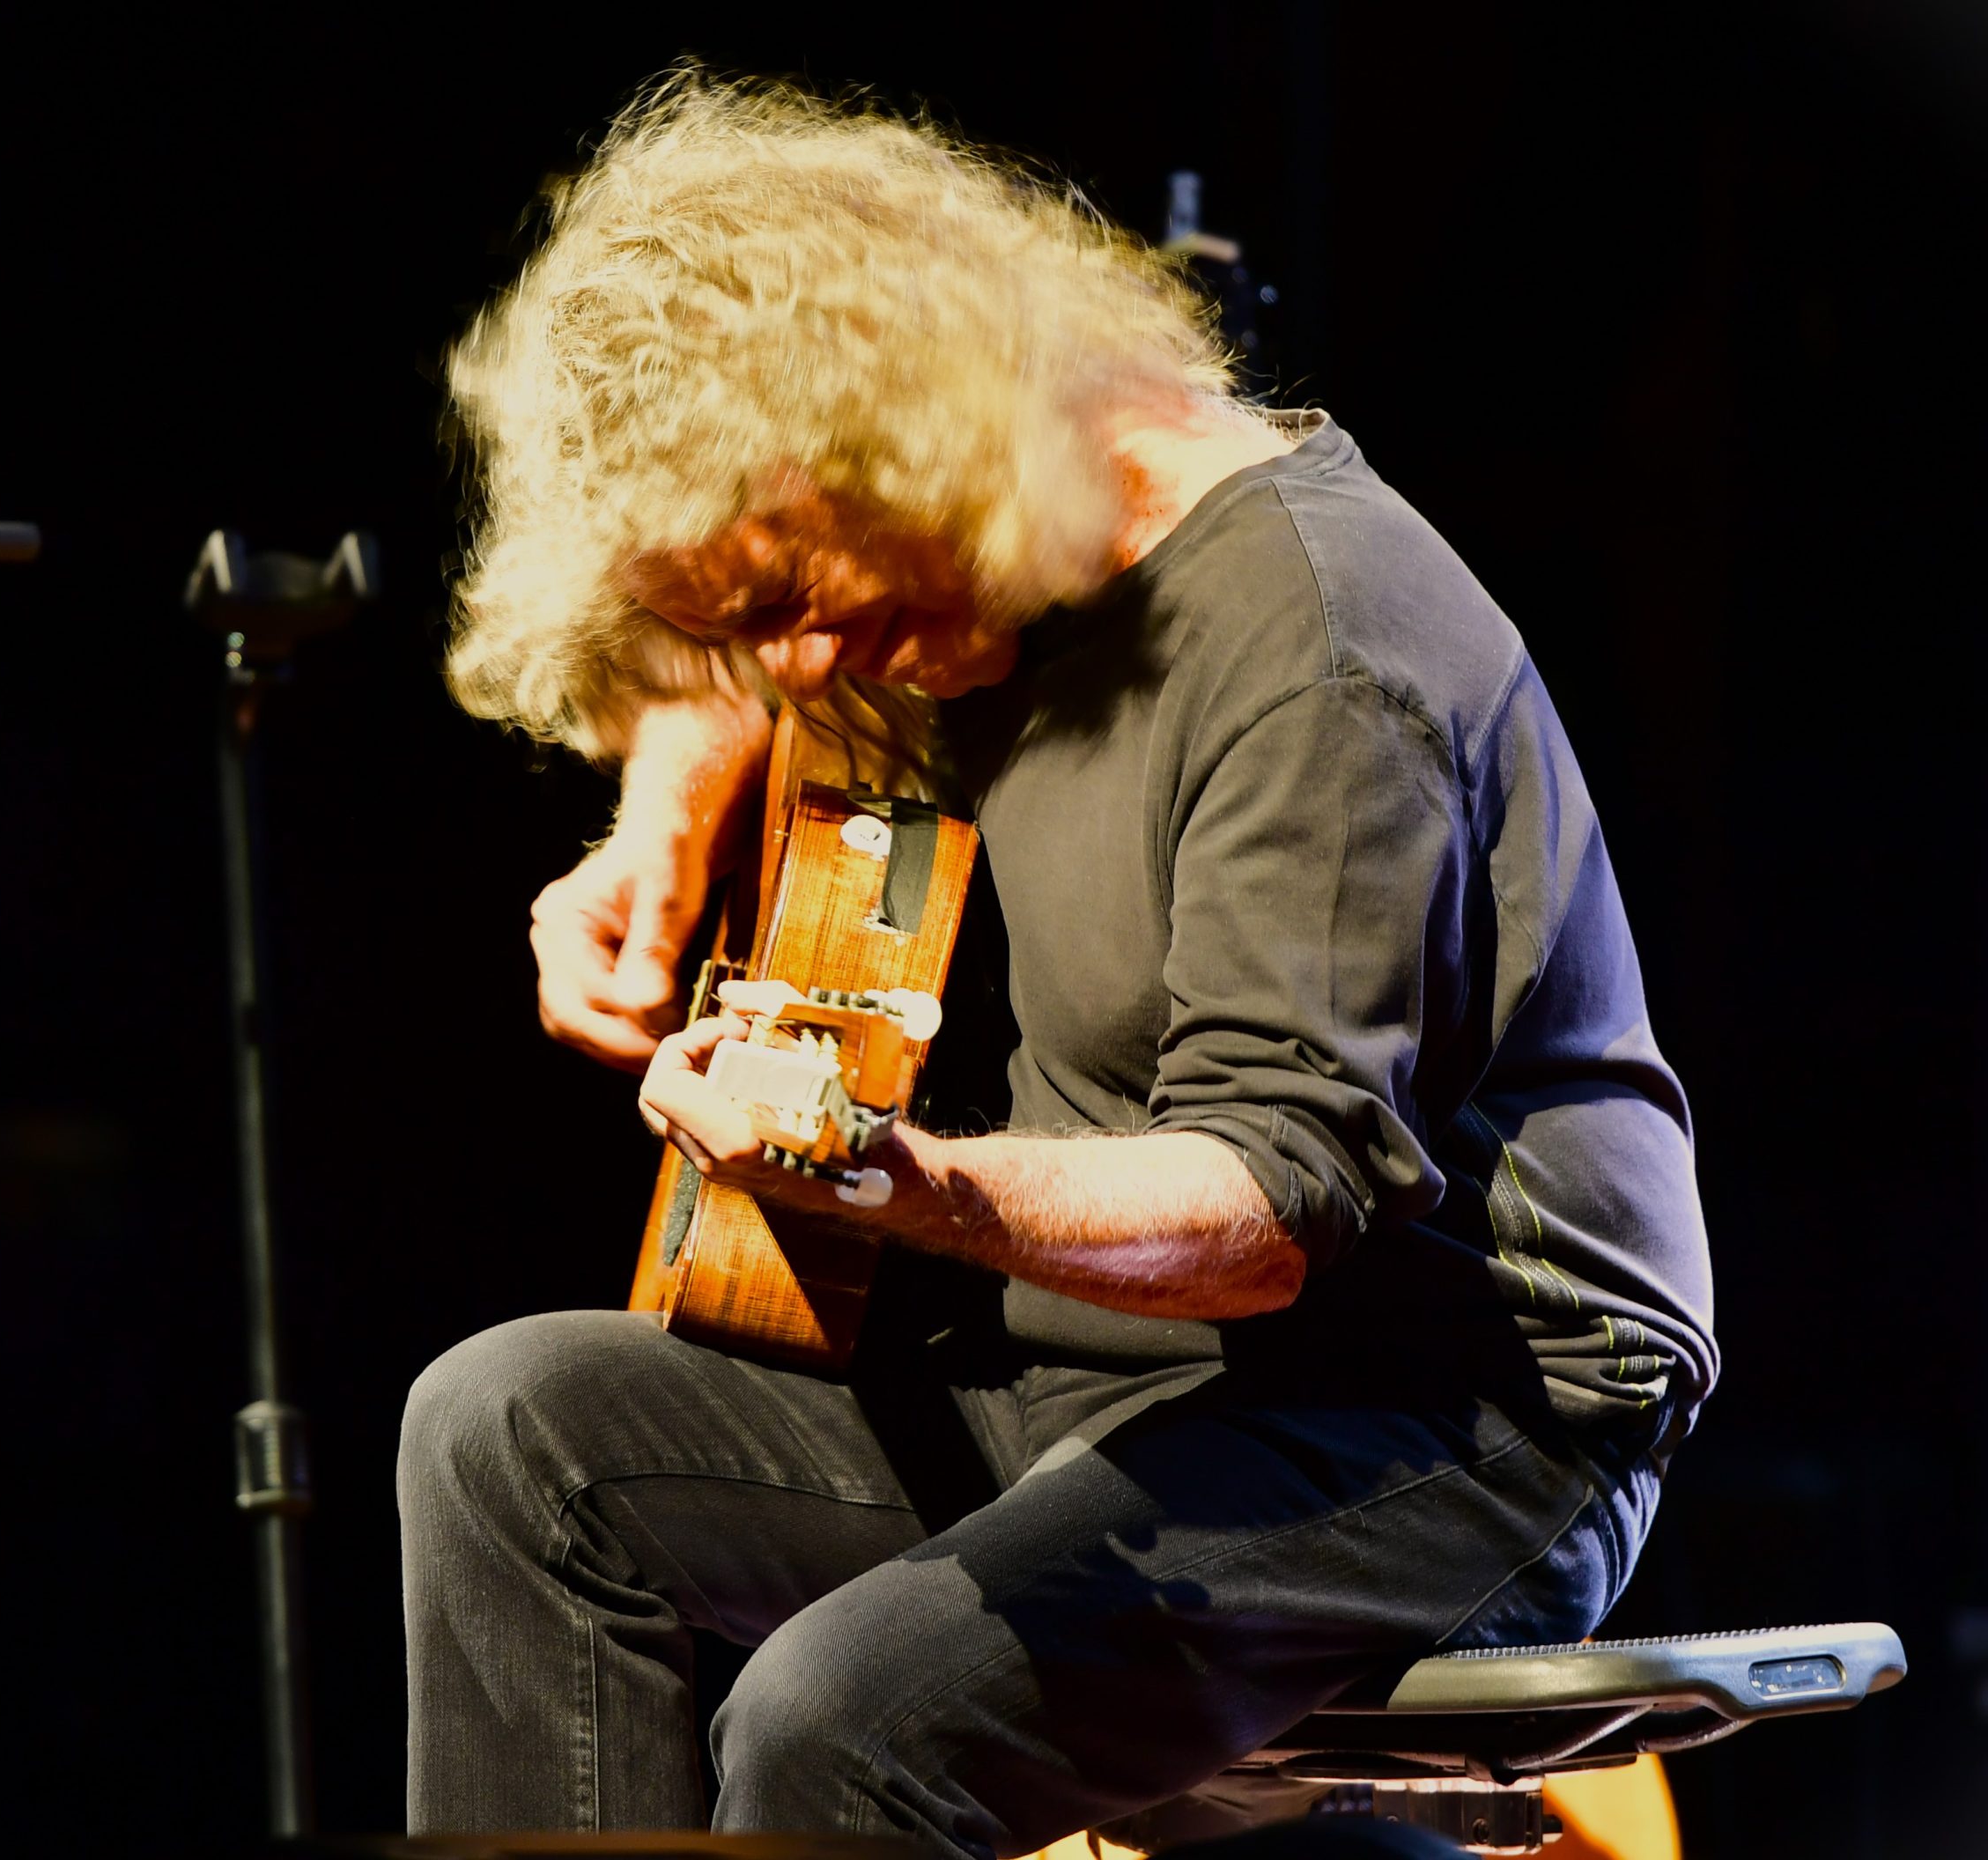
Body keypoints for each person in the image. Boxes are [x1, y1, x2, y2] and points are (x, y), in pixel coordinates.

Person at [398, 72, 1716, 1857]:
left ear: (924, 435)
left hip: (1446, 1419)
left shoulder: (1322, 650)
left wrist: (895, 1178)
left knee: (835, 1723)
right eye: (746, 624)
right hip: (1105, 1374)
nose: (795, 667)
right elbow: (754, 650)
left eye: (805, 601)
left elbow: (1261, 1214)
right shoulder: (971, 559)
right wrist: (654, 830)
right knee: (504, 1437)